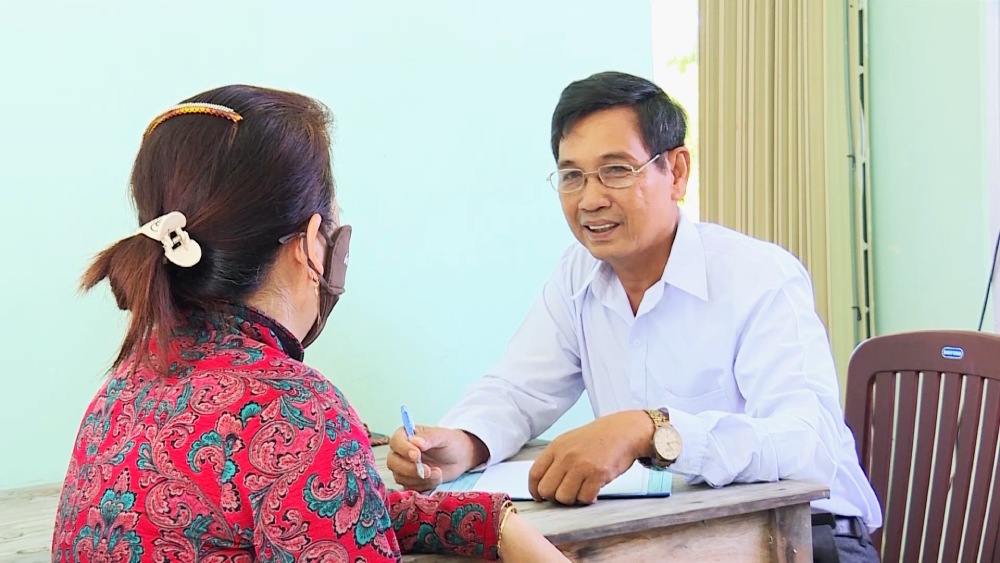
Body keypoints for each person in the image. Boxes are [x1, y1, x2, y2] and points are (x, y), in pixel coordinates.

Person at [51, 85, 567, 562]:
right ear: (310, 244)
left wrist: (492, 521)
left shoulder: (123, 390)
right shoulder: (294, 411)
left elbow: (319, 507)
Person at [386, 71, 883, 562]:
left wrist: (652, 430)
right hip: (673, 541)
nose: (590, 199)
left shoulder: (759, 276)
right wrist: (464, 442)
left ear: (677, 172)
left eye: (617, 170)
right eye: (572, 176)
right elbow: (518, 391)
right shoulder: (578, 273)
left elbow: (807, 444)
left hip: (812, 539)